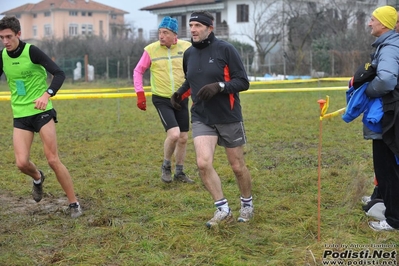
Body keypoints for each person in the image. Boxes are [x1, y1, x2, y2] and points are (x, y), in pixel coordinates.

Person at [170, 11, 253, 228]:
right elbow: (191, 81)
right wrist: (180, 93)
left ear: (209, 28)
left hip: (228, 115)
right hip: (201, 116)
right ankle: (223, 209)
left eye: (198, 25)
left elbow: (243, 82)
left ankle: (247, 203)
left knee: (237, 166)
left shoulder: (226, 49)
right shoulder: (188, 54)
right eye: (191, 25)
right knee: (202, 163)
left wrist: (220, 87)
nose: (193, 29)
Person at [0, 16, 82, 218]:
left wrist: (47, 94)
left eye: (9, 36)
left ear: (18, 34)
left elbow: (59, 73)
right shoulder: (2, 56)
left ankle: (74, 204)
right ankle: (37, 177)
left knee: (53, 159)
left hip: (42, 112)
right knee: (21, 163)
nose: (5, 41)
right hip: (20, 114)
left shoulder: (32, 51)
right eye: (2, 37)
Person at [133, 17, 193, 184]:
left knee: (183, 137)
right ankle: (166, 166)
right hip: (161, 98)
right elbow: (138, 71)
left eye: (165, 33)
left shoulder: (187, 48)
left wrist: (194, 93)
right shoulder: (151, 50)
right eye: (160, 32)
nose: (161, 36)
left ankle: (179, 172)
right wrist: (140, 93)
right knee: (173, 135)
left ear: (175, 35)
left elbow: (194, 70)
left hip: (181, 97)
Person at [361, 6, 399, 231]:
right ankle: (386, 203)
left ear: (384, 23)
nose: (369, 23)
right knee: (388, 166)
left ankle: (394, 220)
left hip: (389, 116)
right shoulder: (390, 45)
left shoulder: (389, 48)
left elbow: (385, 81)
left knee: (386, 167)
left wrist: (368, 90)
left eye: (372, 19)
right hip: (391, 113)